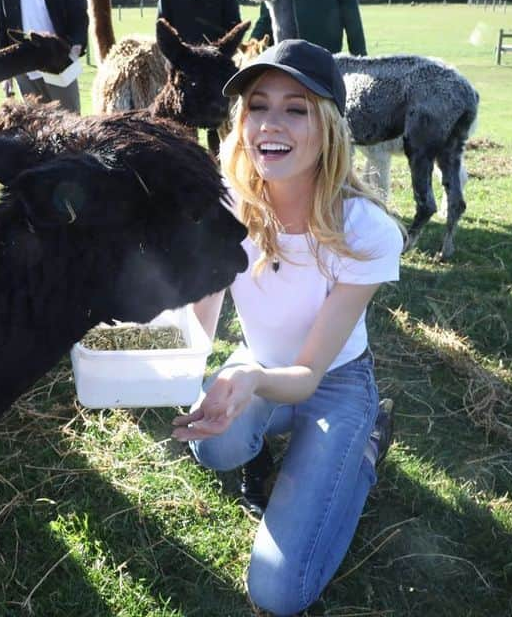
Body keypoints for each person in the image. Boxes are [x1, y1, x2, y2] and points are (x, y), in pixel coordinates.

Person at [172, 39, 400, 616]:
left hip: (336, 383)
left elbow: (304, 374)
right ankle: (289, 449)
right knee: (216, 446)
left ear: (327, 127)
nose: (271, 124)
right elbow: (200, 315)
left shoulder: (365, 229)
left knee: (278, 595)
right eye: (258, 106)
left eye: (295, 108)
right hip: (262, 366)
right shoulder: (224, 207)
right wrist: (160, 361)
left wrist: (249, 376)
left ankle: (366, 445)